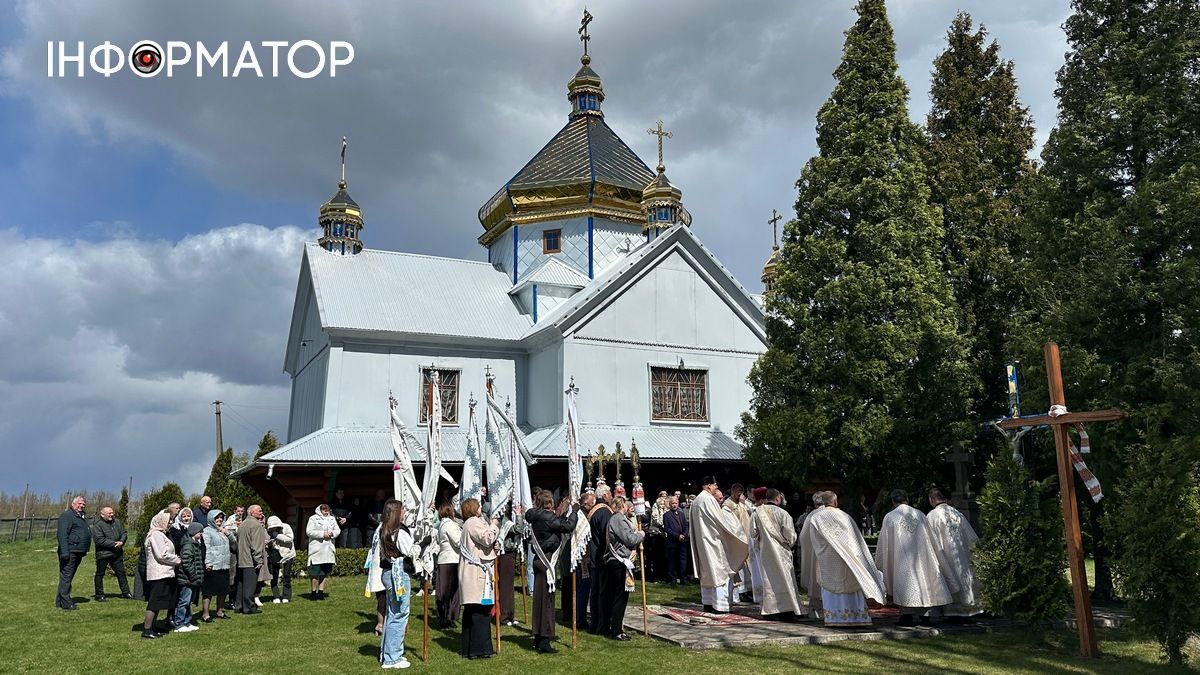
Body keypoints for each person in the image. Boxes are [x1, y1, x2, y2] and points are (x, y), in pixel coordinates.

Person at [798, 491, 885, 627]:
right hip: (848, 560)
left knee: (832, 588)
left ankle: (835, 618)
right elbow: (856, 540)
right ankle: (856, 618)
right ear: (836, 502)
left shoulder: (816, 517)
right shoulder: (845, 517)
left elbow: (811, 539)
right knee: (851, 584)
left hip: (828, 559)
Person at [875, 489, 952, 627]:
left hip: (901, 558)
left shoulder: (890, 517)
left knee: (905, 584)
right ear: (907, 499)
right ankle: (925, 616)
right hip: (922, 557)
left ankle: (906, 616)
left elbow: (885, 543)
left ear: (893, 502)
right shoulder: (920, 514)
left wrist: (883, 560)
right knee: (923, 582)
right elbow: (931, 539)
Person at [527, 490, 579, 653]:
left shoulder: (536, 515)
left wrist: (565, 513)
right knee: (547, 601)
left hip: (539, 560)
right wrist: (575, 512)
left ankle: (538, 637)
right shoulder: (547, 517)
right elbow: (567, 526)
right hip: (546, 559)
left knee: (540, 600)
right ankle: (544, 640)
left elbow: (557, 523)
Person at [689, 477, 749, 613]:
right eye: (715, 485)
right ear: (709, 485)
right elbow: (720, 521)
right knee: (719, 572)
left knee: (707, 572)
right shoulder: (709, 499)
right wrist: (735, 534)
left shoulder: (697, 500)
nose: (716, 487)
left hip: (703, 542)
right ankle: (719, 605)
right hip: (713, 542)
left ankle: (708, 602)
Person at [924, 488, 982, 620]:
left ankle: (954, 612)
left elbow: (929, 540)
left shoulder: (932, 516)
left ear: (931, 500)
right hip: (962, 554)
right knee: (964, 576)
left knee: (952, 577)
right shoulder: (956, 513)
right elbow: (970, 535)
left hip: (945, 555)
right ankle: (969, 608)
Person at [379, 501, 422, 670]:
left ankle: (387, 653)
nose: (404, 512)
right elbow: (410, 550)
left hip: (389, 573)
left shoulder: (384, 528)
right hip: (397, 574)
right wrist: (424, 544)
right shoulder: (398, 531)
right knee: (399, 614)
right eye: (403, 509)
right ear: (397, 512)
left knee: (392, 614)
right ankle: (392, 657)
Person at [458, 497, 499, 660]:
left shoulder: (469, 524)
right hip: (475, 573)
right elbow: (487, 538)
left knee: (472, 611)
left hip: (473, 571)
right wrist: (494, 525)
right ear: (473, 509)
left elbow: (484, 544)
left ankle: (469, 647)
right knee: (480, 611)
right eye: (478, 506)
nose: (480, 508)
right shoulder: (473, 522)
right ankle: (480, 649)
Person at [752, 489, 802, 619]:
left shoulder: (757, 513)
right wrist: (790, 543)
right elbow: (790, 535)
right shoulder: (783, 513)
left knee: (768, 580)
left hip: (765, 552)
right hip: (782, 552)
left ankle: (770, 611)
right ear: (778, 499)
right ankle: (787, 611)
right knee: (785, 579)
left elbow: (753, 533)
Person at [603, 496, 643, 640]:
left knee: (618, 595)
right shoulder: (618, 519)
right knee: (620, 596)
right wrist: (640, 535)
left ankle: (616, 626)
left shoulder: (617, 518)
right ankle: (616, 630)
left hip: (619, 561)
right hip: (618, 561)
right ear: (623, 506)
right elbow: (630, 538)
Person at [367, 500, 403, 636]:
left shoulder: (383, 527)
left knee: (384, 597)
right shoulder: (386, 528)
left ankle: (382, 624)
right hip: (384, 567)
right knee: (384, 597)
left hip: (382, 567)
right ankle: (381, 624)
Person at [142, 511, 181, 638]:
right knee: (154, 602)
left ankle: (152, 626)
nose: (170, 523)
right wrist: (177, 560)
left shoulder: (161, 534)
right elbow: (161, 554)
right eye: (168, 521)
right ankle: (147, 630)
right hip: (159, 573)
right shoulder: (156, 535)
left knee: (158, 603)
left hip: (164, 572)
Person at [561, 490, 594, 627]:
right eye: (592, 502)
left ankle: (573, 613)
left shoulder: (580, 513)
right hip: (576, 556)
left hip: (577, 556)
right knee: (577, 586)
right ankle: (575, 616)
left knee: (575, 586)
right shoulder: (576, 515)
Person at [586, 485, 614, 634]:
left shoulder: (595, 510)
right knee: (602, 592)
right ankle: (602, 624)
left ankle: (595, 623)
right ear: (604, 496)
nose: (611, 496)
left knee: (596, 591)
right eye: (609, 493)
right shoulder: (603, 512)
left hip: (594, 556)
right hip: (601, 558)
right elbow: (608, 535)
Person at [55, 496, 91, 610]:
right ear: (73, 504)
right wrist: (65, 552)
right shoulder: (67, 516)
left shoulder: (81, 516)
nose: (81, 506)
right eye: (79, 504)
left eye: (83, 504)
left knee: (68, 577)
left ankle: (60, 601)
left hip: (78, 551)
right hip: (70, 551)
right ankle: (66, 602)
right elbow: (62, 535)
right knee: (66, 576)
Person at [90, 505, 131, 601]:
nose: (111, 515)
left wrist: (122, 541)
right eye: (109, 513)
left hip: (117, 553)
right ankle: (99, 595)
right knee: (100, 574)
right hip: (103, 554)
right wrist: (114, 544)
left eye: (112, 513)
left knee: (121, 573)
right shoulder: (98, 525)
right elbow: (99, 540)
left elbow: (124, 533)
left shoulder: (117, 522)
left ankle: (126, 593)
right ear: (102, 514)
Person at [201, 508, 234, 623]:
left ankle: (220, 611)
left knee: (223, 590)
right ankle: (205, 614)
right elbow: (207, 548)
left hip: (224, 565)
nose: (219, 519)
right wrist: (208, 563)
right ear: (211, 519)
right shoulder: (207, 531)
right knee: (208, 591)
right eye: (217, 517)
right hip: (213, 566)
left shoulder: (223, 531)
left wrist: (228, 533)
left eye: (221, 517)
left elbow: (234, 543)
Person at [723, 483, 753, 601]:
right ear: (733, 492)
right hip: (736, 539)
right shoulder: (728, 504)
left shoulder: (742, 503)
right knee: (739, 567)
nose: (740, 495)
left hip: (746, 537)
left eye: (742, 493)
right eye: (738, 492)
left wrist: (743, 503)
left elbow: (750, 513)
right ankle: (739, 592)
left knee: (747, 567)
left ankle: (747, 590)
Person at [435, 502, 463, 629]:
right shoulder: (449, 525)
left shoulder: (442, 524)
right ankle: (447, 618)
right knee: (449, 592)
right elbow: (458, 541)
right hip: (450, 560)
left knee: (447, 591)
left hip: (446, 559)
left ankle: (447, 617)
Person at [174, 522, 205, 632]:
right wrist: (193, 575)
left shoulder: (194, 543)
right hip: (187, 579)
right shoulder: (188, 544)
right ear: (194, 532)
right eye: (200, 532)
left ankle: (187, 621)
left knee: (188, 602)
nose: (201, 534)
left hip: (190, 578)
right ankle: (179, 623)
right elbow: (186, 562)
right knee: (184, 601)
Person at [236, 505, 267, 614]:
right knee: (250, 585)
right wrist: (258, 560)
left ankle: (239, 606)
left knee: (241, 584)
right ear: (252, 513)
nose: (261, 513)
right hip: (250, 560)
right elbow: (256, 545)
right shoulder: (256, 525)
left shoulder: (242, 524)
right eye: (259, 511)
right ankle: (248, 607)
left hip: (241, 559)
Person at [306, 503, 340, 599]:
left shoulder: (332, 519)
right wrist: (322, 534)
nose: (326, 512)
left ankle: (321, 592)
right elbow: (309, 531)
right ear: (320, 510)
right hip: (317, 549)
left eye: (327, 510)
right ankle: (313, 592)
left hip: (328, 549)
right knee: (314, 573)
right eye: (324, 510)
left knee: (324, 572)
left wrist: (332, 533)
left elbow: (337, 530)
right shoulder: (313, 518)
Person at [266, 515, 295, 603]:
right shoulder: (268, 531)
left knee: (286, 575)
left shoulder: (286, 527)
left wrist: (277, 536)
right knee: (274, 576)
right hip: (275, 555)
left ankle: (286, 596)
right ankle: (276, 596)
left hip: (288, 554)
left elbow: (290, 539)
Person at [662, 495, 689, 584]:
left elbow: (685, 525)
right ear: (669, 504)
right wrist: (677, 536)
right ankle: (673, 579)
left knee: (683, 561)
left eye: (676, 503)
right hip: (672, 541)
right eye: (673, 503)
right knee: (672, 561)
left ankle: (683, 578)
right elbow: (667, 529)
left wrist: (684, 535)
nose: (674, 505)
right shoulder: (667, 515)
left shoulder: (681, 513)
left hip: (682, 542)